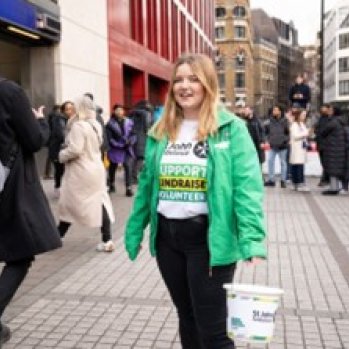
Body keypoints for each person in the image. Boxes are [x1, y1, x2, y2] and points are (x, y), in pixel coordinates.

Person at [124, 53, 266, 349]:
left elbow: (247, 189)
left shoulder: (231, 128)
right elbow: (147, 185)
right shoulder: (161, 130)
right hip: (167, 239)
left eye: (193, 79)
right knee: (186, 318)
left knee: (213, 331)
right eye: (178, 80)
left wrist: (252, 239)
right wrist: (135, 230)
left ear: (208, 84)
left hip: (209, 241)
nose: (184, 86)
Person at [0, 78, 62, 346]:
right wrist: (39, 120)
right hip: (9, 188)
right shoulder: (8, 91)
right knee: (20, 256)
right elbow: (35, 141)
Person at [57, 96, 116, 252]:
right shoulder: (95, 124)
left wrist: (61, 155)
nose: (73, 110)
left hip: (80, 170)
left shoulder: (79, 126)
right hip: (96, 168)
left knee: (69, 202)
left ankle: (58, 235)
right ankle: (107, 239)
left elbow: (75, 150)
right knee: (100, 202)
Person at [106, 104, 136, 196]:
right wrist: (119, 145)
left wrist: (131, 142)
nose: (119, 112)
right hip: (115, 149)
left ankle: (128, 188)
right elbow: (109, 138)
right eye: (117, 110)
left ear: (124, 111)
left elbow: (134, 134)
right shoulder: (110, 124)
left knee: (128, 166)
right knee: (113, 167)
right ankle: (111, 184)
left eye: (121, 110)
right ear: (114, 111)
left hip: (127, 148)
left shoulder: (129, 122)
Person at [319, 106, 348, 195]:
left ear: (335, 112)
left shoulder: (333, 122)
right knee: (338, 168)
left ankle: (334, 188)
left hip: (333, 148)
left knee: (332, 168)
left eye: (331, 110)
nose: (329, 111)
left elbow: (323, 132)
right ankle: (338, 186)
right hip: (341, 148)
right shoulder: (343, 121)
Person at [48, 101, 74, 198]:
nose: (70, 111)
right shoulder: (59, 118)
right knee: (60, 169)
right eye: (67, 109)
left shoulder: (71, 119)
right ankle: (58, 187)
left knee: (64, 170)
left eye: (71, 108)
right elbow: (61, 134)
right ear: (63, 111)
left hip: (63, 148)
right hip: (58, 148)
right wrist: (70, 141)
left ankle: (61, 188)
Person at [264, 105, 290, 188]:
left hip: (283, 146)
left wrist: (285, 140)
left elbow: (289, 133)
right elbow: (265, 132)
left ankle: (283, 180)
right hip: (273, 145)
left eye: (276, 110)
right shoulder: (269, 121)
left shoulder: (285, 121)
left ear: (280, 111)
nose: (274, 111)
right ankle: (271, 180)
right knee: (270, 161)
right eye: (273, 110)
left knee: (283, 163)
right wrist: (268, 139)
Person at [128, 100, 154, 183]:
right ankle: (134, 177)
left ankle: (131, 175)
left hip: (133, 137)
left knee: (133, 158)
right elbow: (148, 126)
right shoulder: (146, 114)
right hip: (142, 137)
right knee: (140, 157)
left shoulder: (132, 114)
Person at [289, 108, 310, 191]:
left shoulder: (302, 124)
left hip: (301, 148)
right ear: (298, 115)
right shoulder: (294, 125)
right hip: (297, 148)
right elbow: (295, 136)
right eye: (303, 115)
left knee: (300, 165)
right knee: (297, 166)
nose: (304, 116)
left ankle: (298, 183)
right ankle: (298, 183)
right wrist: (306, 133)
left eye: (305, 115)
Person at [84, 92, 109, 157]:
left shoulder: (94, 115)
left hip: (94, 146)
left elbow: (101, 132)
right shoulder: (97, 114)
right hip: (96, 145)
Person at [314, 104, 331, 186]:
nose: (323, 110)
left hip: (327, 145)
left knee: (326, 163)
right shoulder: (320, 119)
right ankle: (326, 179)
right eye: (322, 109)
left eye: (324, 109)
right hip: (320, 144)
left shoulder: (330, 119)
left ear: (328, 110)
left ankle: (325, 179)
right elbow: (317, 129)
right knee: (323, 163)